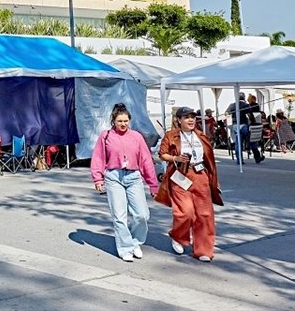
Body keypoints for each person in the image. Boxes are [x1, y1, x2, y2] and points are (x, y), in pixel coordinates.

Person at [90, 103, 159, 262]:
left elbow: (146, 160)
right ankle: (125, 248)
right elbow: (98, 157)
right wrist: (98, 178)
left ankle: (135, 242)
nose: (123, 124)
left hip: (134, 177)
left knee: (142, 215)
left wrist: (153, 184)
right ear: (113, 121)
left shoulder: (136, 136)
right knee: (119, 216)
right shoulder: (106, 136)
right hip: (114, 177)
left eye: (126, 121)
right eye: (120, 121)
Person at [155, 106, 223, 262]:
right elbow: (162, 154)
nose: (191, 120)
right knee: (185, 212)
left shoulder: (201, 135)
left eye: (193, 117)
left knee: (204, 214)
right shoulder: (171, 135)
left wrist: (213, 180)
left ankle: (203, 250)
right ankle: (178, 236)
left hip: (200, 175)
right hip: (181, 176)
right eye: (187, 117)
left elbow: (209, 160)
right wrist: (175, 158)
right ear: (179, 120)